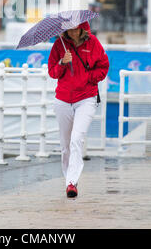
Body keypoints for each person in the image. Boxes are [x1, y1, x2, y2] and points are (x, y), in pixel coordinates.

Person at [48, 21, 109, 198]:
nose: (73, 31)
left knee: (76, 139)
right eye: (70, 28)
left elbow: (103, 67)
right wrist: (62, 62)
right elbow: (52, 72)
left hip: (86, 98)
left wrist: (89, 78)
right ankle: (69, 178)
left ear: (83, 28)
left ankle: (71, 182)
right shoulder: (59, 45)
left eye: (76, 28)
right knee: (65, 145)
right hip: (63, 99)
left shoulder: (93, 43)